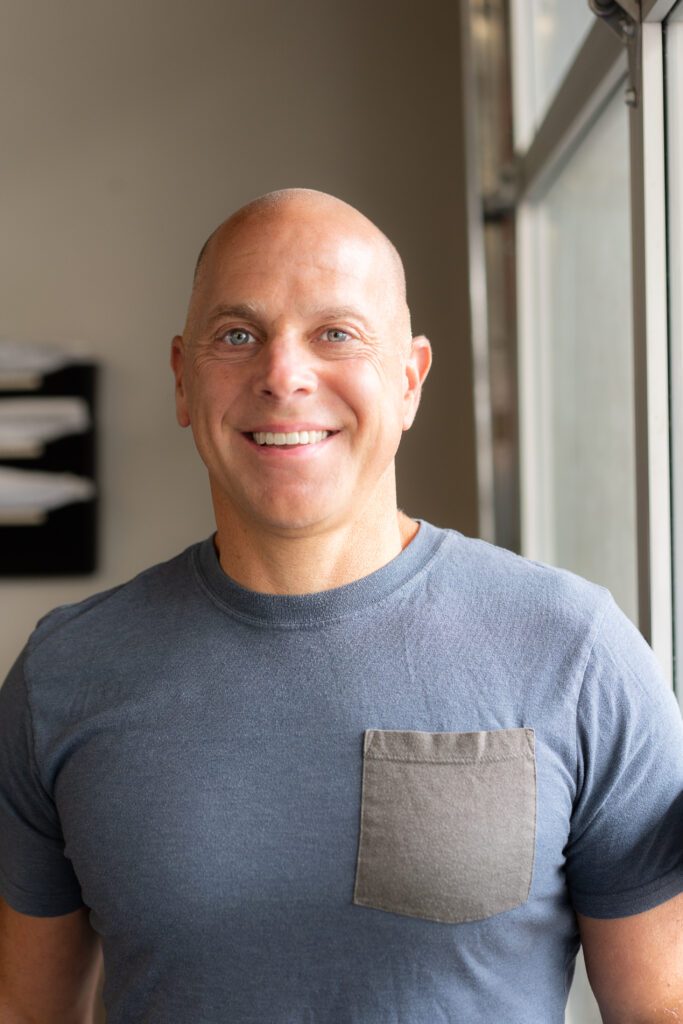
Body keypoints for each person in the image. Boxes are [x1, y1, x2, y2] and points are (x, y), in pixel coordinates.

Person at [0, 188, 681, 1024]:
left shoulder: (573, 650)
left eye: (336, 334)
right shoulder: (64, 670)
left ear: (408, 380)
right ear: (184, 382)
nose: (283, 374)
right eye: (238, 335)